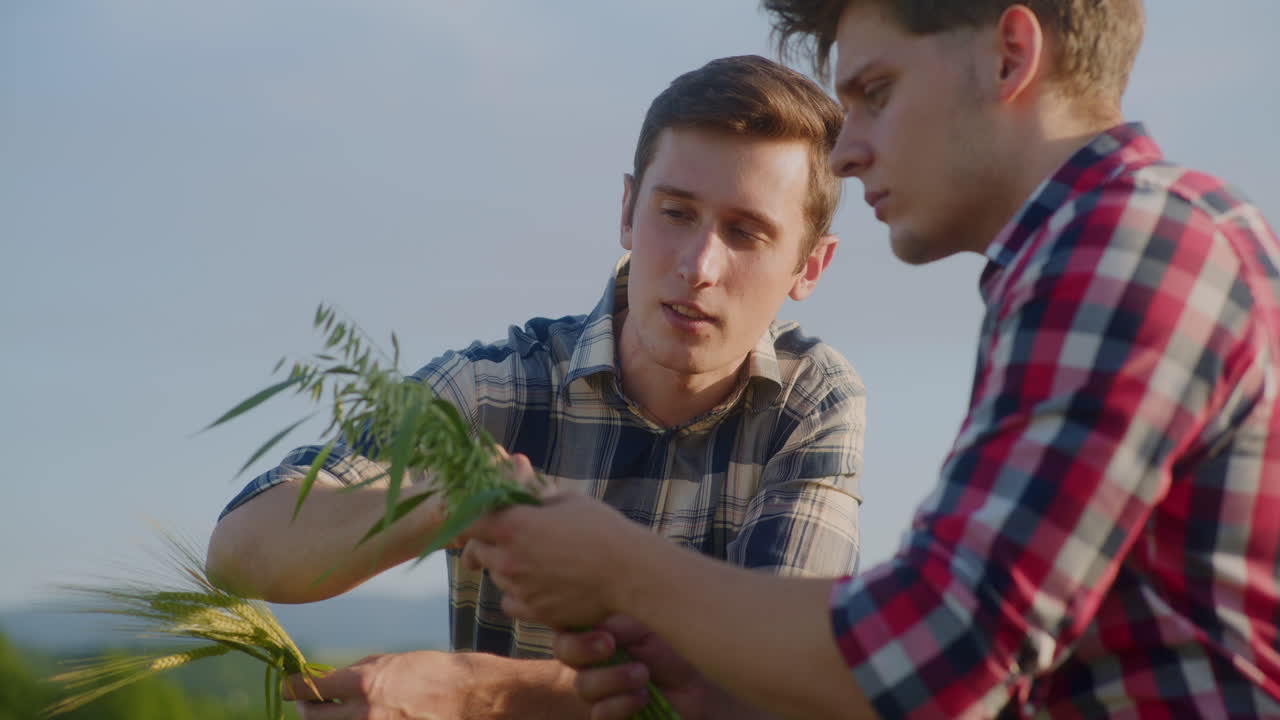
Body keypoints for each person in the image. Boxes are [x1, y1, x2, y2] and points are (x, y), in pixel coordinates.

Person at [462, 2, 1280, 718]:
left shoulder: (1125, 249)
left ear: (1010, 56)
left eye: (876, 94)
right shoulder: (1121, 244)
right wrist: (714, 691)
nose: (848, 152)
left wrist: (615, 565)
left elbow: (943, 653)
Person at [206, 54, 868, 719]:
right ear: (627, 211)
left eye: (745, 232)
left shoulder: (811, 401)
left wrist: (480, 694)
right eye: (676, 213)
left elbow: (783, 682)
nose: (699, 266)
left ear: (810, 266)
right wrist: (450, 497)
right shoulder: (497, 386)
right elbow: (240, 551)